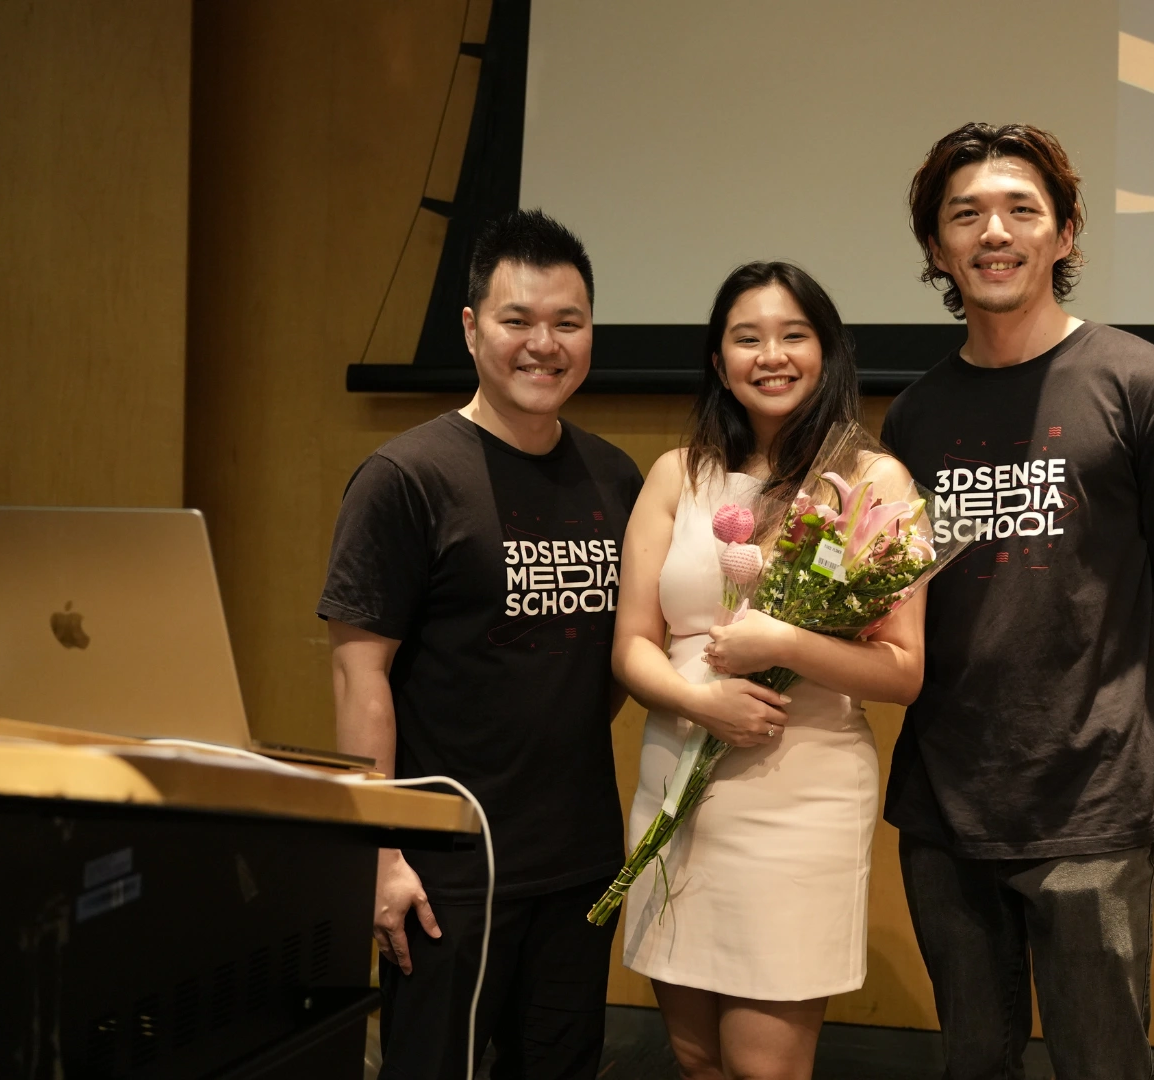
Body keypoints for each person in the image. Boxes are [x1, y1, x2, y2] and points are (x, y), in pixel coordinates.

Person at [878, 123, 1154, 1080]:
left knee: (1102, 1064)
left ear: (1063, 233)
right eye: (965, 214)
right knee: (974, 1060)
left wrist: (1125, 740)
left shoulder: (1147, 387)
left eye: (1021, 210)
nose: (994, 232)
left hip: (1095, 809)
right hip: (946, 804)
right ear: (936, 247)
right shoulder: (914, 416)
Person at [317, 209, 643, 1080]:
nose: (545, 344)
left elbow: (606, 664)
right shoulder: (405, 479)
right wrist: (381, 855)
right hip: (448, 868)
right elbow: (360, 680)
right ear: (471, 329)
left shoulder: (614, 477)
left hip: (578, 861)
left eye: (568, 323)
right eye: (517, 320)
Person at [612, 261, 926, 1080]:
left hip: (802, 797)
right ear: (719, 362)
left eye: (793, 335)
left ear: (828, 353)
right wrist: (701, 701)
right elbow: (634, 645)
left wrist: (782, 644)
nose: (771, 354)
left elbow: (901, 671)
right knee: (692, 1057)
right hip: (678, 781)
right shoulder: (676, 475)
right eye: (746, 338)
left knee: (764, 1068)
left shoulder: (874, 481)